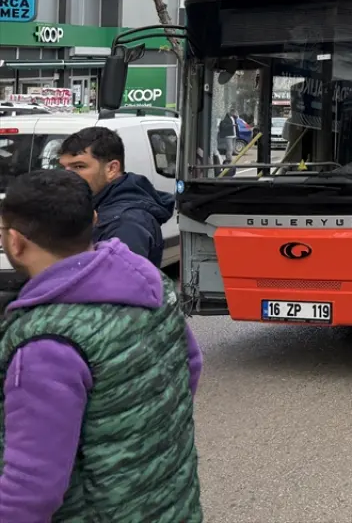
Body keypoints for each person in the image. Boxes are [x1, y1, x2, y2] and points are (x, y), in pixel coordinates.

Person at [0, 168, 202, 522]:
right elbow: (191, 366)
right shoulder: (149, 284)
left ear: (15, 241)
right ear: (94, 220)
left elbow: (32, 489)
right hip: (169, 502)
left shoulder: (44, 345)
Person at [59, 126, 174, 268]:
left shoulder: (125, 223)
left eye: (78, 166)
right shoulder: (94, 205)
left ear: (112, 169)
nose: (66, 176)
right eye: (64, 168)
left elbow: (117, 285)